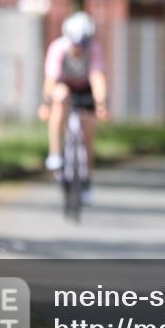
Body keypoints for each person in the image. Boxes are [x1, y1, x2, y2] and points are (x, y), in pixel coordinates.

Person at [38, 11, 109, 205]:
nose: (78, 48)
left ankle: (86, 180)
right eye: (75, 44)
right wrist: (46, 105)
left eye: (82, 44)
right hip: (64, 87)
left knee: (88, 132)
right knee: (60, 98)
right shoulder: (58, 49)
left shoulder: (94, 49)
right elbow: (51, 81)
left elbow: (97, 78)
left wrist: (101, 104)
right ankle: (55, 154)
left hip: (85, 88)